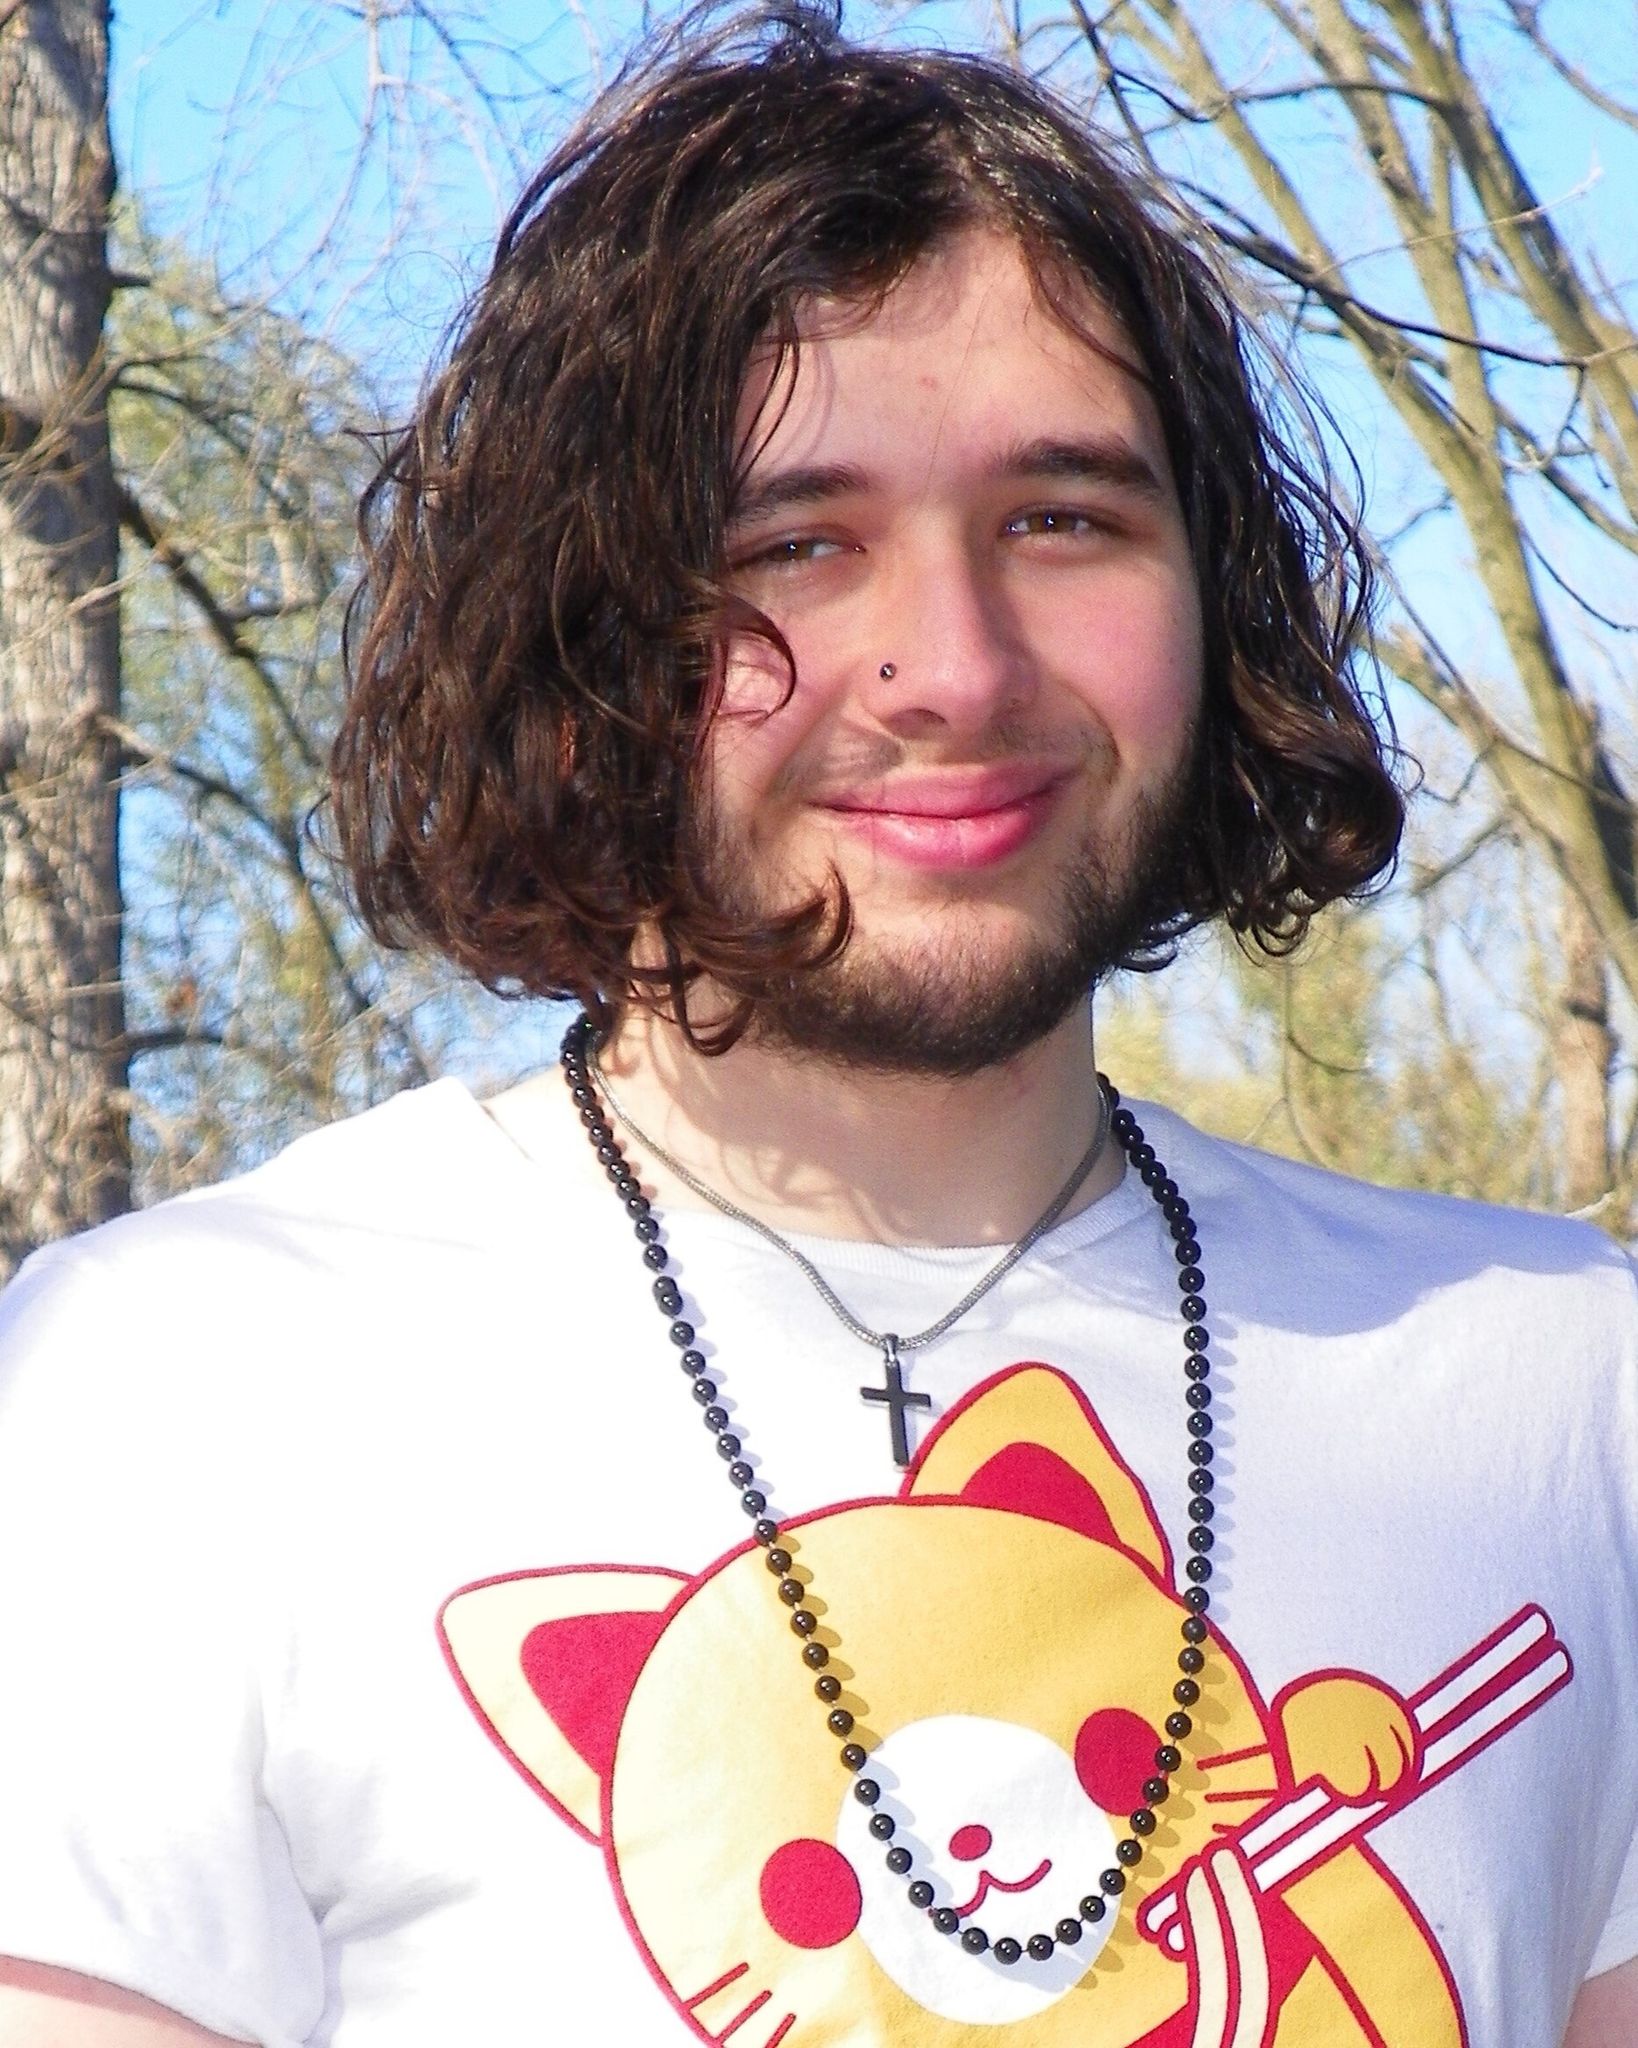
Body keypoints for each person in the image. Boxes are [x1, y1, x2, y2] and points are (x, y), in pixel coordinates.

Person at [0, 8, 1633, 2045]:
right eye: (797, 543)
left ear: (1212, 593)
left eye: (1063, 518)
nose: (952, 665)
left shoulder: (1563, 1399)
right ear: (584, 635)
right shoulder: (180, 1394)